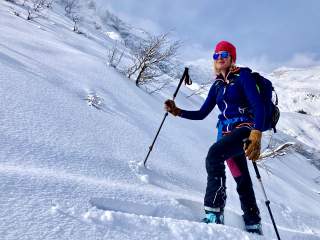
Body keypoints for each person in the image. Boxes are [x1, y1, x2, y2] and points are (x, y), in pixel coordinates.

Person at [164, 40, 263, 234]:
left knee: (214, 155)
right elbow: (202, 113)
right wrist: (177, 111)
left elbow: (258, 105)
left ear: (232, 58)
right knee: (241, 177)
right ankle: (253, 222)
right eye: (216, 55)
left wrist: (256, 132)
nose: (220, 58)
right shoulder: (217, 86)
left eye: (224, 54)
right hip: (226, 133)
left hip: (244, 129)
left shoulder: (243, 76)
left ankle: (214, 211)